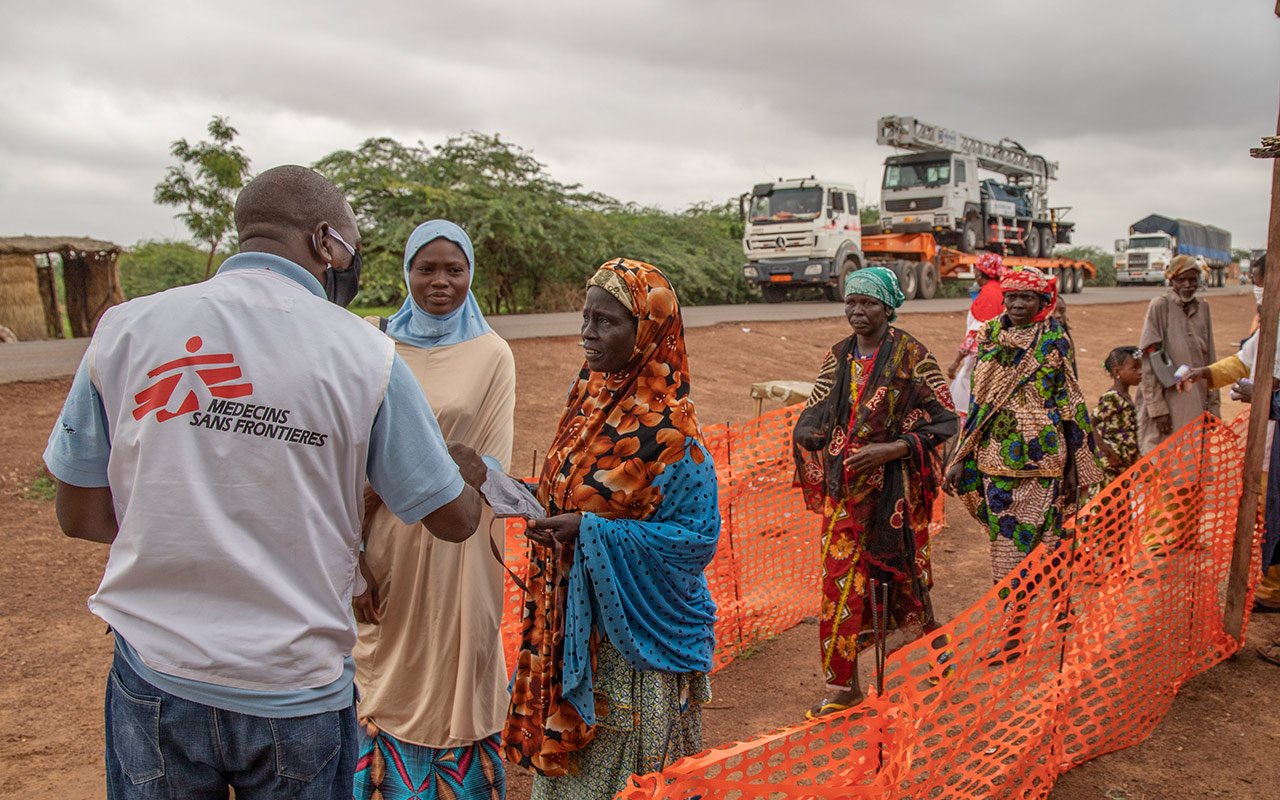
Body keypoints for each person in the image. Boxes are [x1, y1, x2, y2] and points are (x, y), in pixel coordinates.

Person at [42, 165, 483, 800]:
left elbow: (80, 516)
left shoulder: (126, 329)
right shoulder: (367, 355)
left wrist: (186, 523)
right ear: (326, 241)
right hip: (295, 689)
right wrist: (466, 473)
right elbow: (454, 519)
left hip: (157, 676)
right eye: (351, 249)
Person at [499, 258, 719, 800]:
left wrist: (589, 532)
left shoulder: (674, 434)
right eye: (586, 318)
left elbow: (696, 541)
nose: (588, 334)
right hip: (570, 625)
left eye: (606, 321)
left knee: (627, 779)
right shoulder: (589, 400)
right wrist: (525, 495)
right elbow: (579, 488)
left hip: (632, 646)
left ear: (647, 331)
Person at [351, 220, 515, 800]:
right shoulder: (373, 347)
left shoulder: (493, 354)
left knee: (458, 657)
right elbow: (351, 457)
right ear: (407, 273)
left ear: (471, 274)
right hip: (383, 537)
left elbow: (489, 461)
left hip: (461, 539)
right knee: (382, 660)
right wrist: (354, 559)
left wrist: (418, 475)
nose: (440, 281)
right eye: (427, 268)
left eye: (454, 269)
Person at [792, 267, 958, 718]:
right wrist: (808, 431)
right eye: (851, 302)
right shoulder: (838, 355)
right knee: (839, 585)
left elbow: (946, 419)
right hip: (845, 493)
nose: (857, 311)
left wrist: (892, 449)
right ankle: (842, 685)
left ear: (887, 307)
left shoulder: (912, 355)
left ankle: (933, 645)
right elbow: (817, 407)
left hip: (894, 497)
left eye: (867, 303)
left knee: (902, 579)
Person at [943, 266, 1102, 582]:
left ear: (1042, 300)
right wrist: (961, 456)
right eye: (1011, 297)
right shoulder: (990, 336)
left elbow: (1069, 403)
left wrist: (1074, 467)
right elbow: (979, 403)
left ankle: (1044, 608)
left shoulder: (1054, 339)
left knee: (1049, 548)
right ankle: (1011, 609)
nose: (1017, 304)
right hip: (995, 463)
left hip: (1046, 464)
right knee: (1005, 551)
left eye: (1026, 297)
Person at [1179, 253, 1280, 616]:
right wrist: (1204, 373)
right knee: (1268, 509)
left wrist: (1266, 394)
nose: (1258, 293)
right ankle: (1271, 586)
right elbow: (1242, 362)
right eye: (1255, 284)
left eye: (1261, 284)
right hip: (1269, 432)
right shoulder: (1271, 324)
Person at [1136, 254, 1220, 454]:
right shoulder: (1160, 306)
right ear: (1171, 280)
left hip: (1198, 398)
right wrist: (1157, 409)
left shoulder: (1203, 307)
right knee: (1164, 459)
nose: (1188, 285)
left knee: (1194, 457)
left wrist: (1214, 406)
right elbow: (1149, 361)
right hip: (1168, 400)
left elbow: (1210, 358)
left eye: (1193, 279)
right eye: (1181, 279)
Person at [947, 252, 1005, 419]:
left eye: (976, 270)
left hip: (980, 357)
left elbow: (976, 332)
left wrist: (956, 361)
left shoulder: (988, 295)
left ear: (980, 273)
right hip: (994, 357)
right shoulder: (998, 290)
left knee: (965, 395)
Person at [1092, 347, 1143, 487]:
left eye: (1140, 367)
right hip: (1111, 467)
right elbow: (1090, 424)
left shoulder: (1125, 397)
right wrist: (1108, 452)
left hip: (1124, 466)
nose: (1140, 372)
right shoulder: (1112, 397)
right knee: (1105, 499)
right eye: (1134, 368)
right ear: (1117, 372)